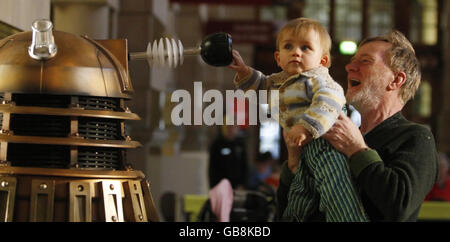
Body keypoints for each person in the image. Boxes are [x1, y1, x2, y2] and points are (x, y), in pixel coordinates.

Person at [278, 30, 439, 221]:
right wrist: (294, 165)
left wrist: (357, 149)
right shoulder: (335, 136)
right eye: (353, 60)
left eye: (365, 61)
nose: (349, 67)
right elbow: (287, 212)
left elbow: (399, 205)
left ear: (396, 80)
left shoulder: (416, 137)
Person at [229, 17, 368, 221]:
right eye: (288, 46)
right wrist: (243, 71)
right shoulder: (280, 82)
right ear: (278, 58)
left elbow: (328, 104)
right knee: (300, 197)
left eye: (306, 47)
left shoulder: (319, 81)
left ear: (322, 60)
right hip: (300, 151)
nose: (296, 52)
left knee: (336, 195)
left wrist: (305, 127)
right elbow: (261, 86)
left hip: (325, 147)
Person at [208, 122, 248, 189]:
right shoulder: (217, 144)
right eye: (230, 126)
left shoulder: (240, 145)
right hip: (220, 183)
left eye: (235, 127)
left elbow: (244, 166)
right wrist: (213, 185)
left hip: (236, 185)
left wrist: (243, 183)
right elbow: (212, 167)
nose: (232, 129)